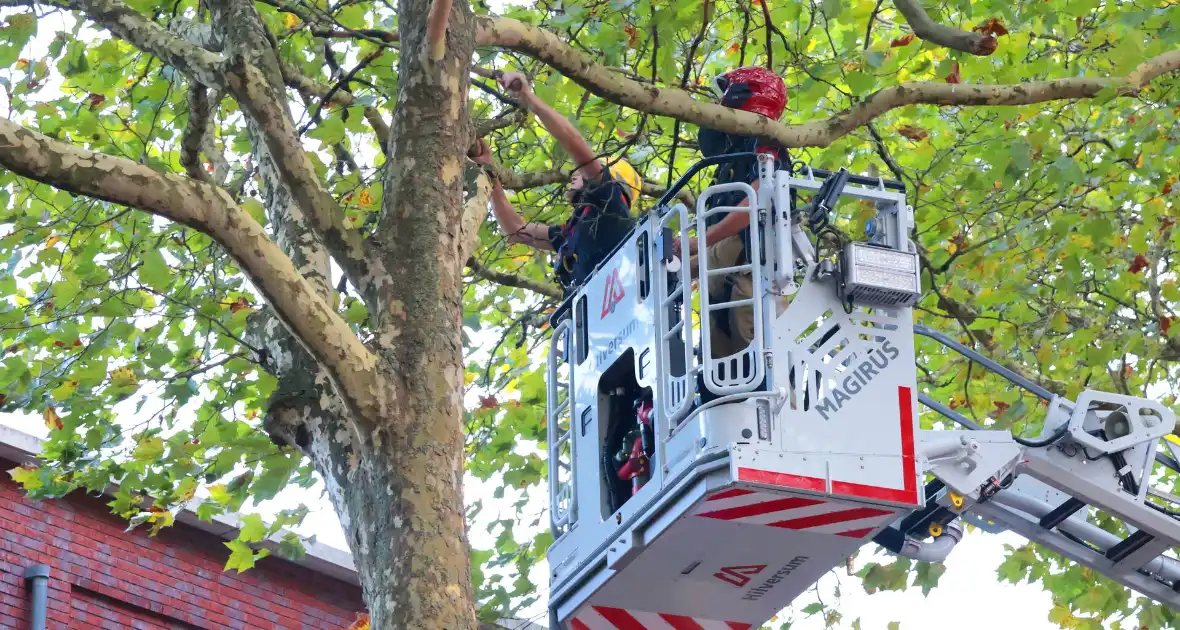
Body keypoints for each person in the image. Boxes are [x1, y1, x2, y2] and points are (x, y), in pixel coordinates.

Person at [471, 71, 643, 295]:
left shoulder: (610, 203)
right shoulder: (572, 231)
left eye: (581, 174)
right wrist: (489, 169)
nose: (574, 175)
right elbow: (516, 230)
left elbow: (575, 145)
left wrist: (528, 97)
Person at [676, 66, 791, 359]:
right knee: (722, 382)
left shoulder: (766, 145)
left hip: (751, 281)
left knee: (764, 370)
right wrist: (673, 262)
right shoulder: (731, 162)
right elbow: (715, 253)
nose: (716, 107)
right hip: (724, 291)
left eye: (722, 98)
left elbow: (755, 204)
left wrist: (696, 242)